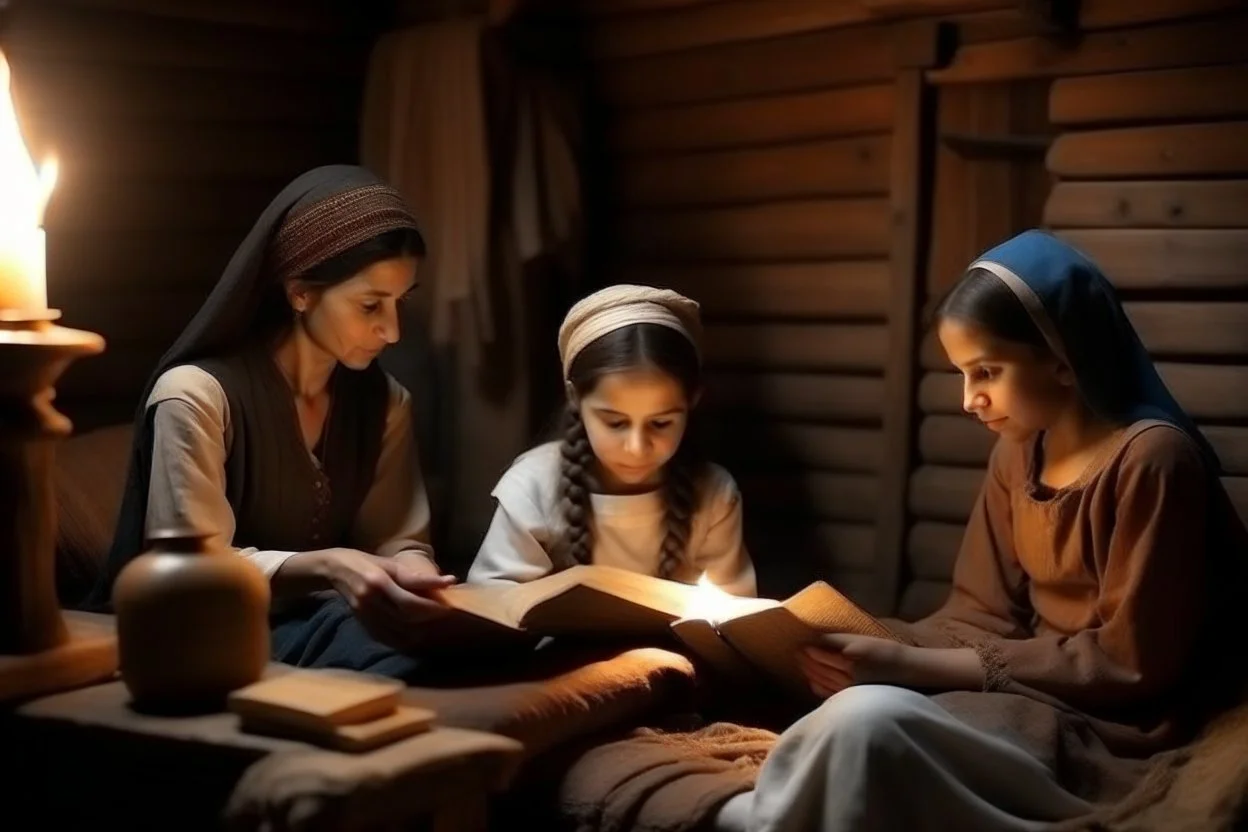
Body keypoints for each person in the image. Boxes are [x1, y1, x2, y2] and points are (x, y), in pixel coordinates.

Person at [715, 229, 1248, 831]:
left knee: (867, 725)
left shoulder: (1152, 461)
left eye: (986, 371)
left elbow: (1130, 664)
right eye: (962, 374)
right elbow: (980, 614)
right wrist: (865, 642)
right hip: (1028, 692)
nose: (971, 399)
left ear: (1062, 359)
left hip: (1117, 724)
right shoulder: (1019, 451)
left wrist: (909, 667)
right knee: (846, 714)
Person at [88, 165, 456, 682]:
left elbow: (396, 536)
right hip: (208, 627)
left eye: (402, 302)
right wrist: (331, 565)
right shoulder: (196, 396)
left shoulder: (385, 403)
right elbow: (192, 569)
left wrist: (417, 578)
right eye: (371, 304)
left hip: (326, 618)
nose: (392, 331)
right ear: (300, 291)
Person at [466, 284, 757, 596]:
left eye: (660, 423)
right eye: (615, 422)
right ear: (574, 397)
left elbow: (733, 608)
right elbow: (491, 599)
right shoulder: (533, 486)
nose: (636, 447)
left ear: (692, 401)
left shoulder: (713, 496)